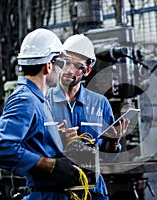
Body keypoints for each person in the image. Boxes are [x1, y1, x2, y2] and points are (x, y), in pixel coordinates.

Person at [0, 28, 83, 200]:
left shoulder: (39, 99)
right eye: (60, 64)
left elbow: (31, 140)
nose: (62, 71)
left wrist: (54, 138)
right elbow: (1, 149)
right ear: (48, 66)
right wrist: (51, 165)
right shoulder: (25, 100)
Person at [46, 34, 129, 200]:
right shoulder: (43, 101)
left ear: (87, 70)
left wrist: (114, 141)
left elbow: (108, 151)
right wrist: (57, 138)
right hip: (56, 189)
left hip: (93, 189)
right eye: (66, 62)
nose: (69, 70)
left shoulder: (100, 104)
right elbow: (30, 146)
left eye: (77, 66)